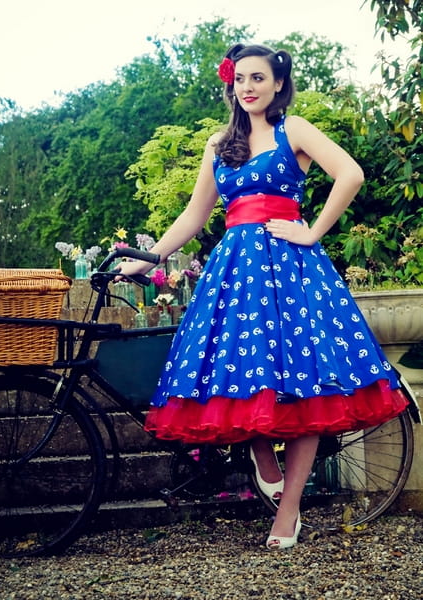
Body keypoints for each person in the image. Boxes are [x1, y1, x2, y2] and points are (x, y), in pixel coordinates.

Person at [116, 43, 409, 550]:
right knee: (238, 368)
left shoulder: (292, 131)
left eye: (258, 78)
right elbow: (194, 215)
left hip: (292, 269)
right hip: (235, 272)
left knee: (306, 385)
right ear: (232, 86)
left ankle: (288, 512)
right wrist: (150, 258)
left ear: (277, 84)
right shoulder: (218, 144)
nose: (248, 87)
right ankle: (260, 451)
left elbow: (351, 173)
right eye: (240, 79)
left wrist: (312, 232)